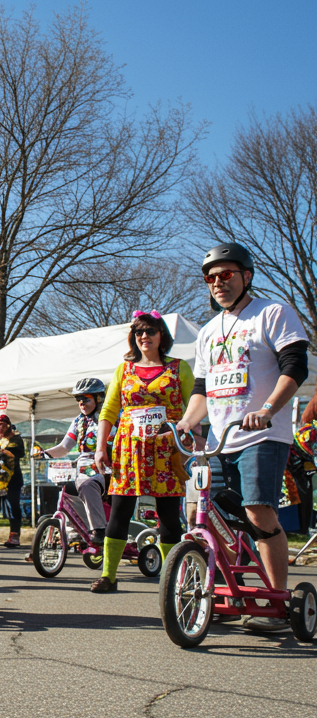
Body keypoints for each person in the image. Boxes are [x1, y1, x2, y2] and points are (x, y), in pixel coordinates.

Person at [177, 242, 309, 629]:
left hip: (262, 435)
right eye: (211, 278)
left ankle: (279, 599)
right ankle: (224, 585)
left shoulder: (272, 313)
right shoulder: (207, 332)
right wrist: (187, 421)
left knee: (257, 510)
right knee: (204, 512)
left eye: (226, 274)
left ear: (246, 275)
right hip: (219, 441)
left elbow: (295, 367)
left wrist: (267, 410)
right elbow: (202, 388)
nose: (218, 283)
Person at [93, 312, 194, 593]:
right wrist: (101, 447)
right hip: (129, 450)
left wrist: (190, 439)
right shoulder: (123, 370)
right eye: (138, 332)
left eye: (150, 331)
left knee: (169, 517)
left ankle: (171, 579)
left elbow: (193, 406)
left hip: (166, 451)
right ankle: (108, 575)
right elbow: (109, 410)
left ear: (162, 335)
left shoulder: (179, 368)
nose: (144, 336)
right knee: (119, 512)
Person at [31, 378, 111, 546]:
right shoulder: (78, 421)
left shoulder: (110, 417)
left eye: (86, 398)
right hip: (85, 470)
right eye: (78, 399)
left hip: (107, 469)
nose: (81, 403)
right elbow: (64, 447)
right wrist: (44, 454)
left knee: (87, 484)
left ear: (98, 399)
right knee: (67, 492)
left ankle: (99, 529)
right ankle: (75, 530)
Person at [0, 414, 26, 548]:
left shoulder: (16, 438)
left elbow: (18, 452)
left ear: (8, 425)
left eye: (2, 424)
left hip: (11, 479)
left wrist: (0, 450)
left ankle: (14, 535)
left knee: (12, 506)